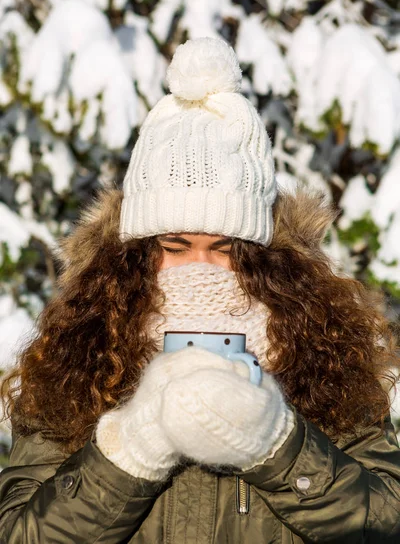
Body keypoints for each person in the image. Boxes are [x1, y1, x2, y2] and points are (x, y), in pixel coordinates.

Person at [1, 37, 400, 544]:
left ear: (261, 253)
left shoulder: (323, 353)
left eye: (226, 247)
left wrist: (277, 444)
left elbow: (387, 521)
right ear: (138, 250)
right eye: (176, 243)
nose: (201, 267)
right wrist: (133, 447)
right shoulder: (79, 355)